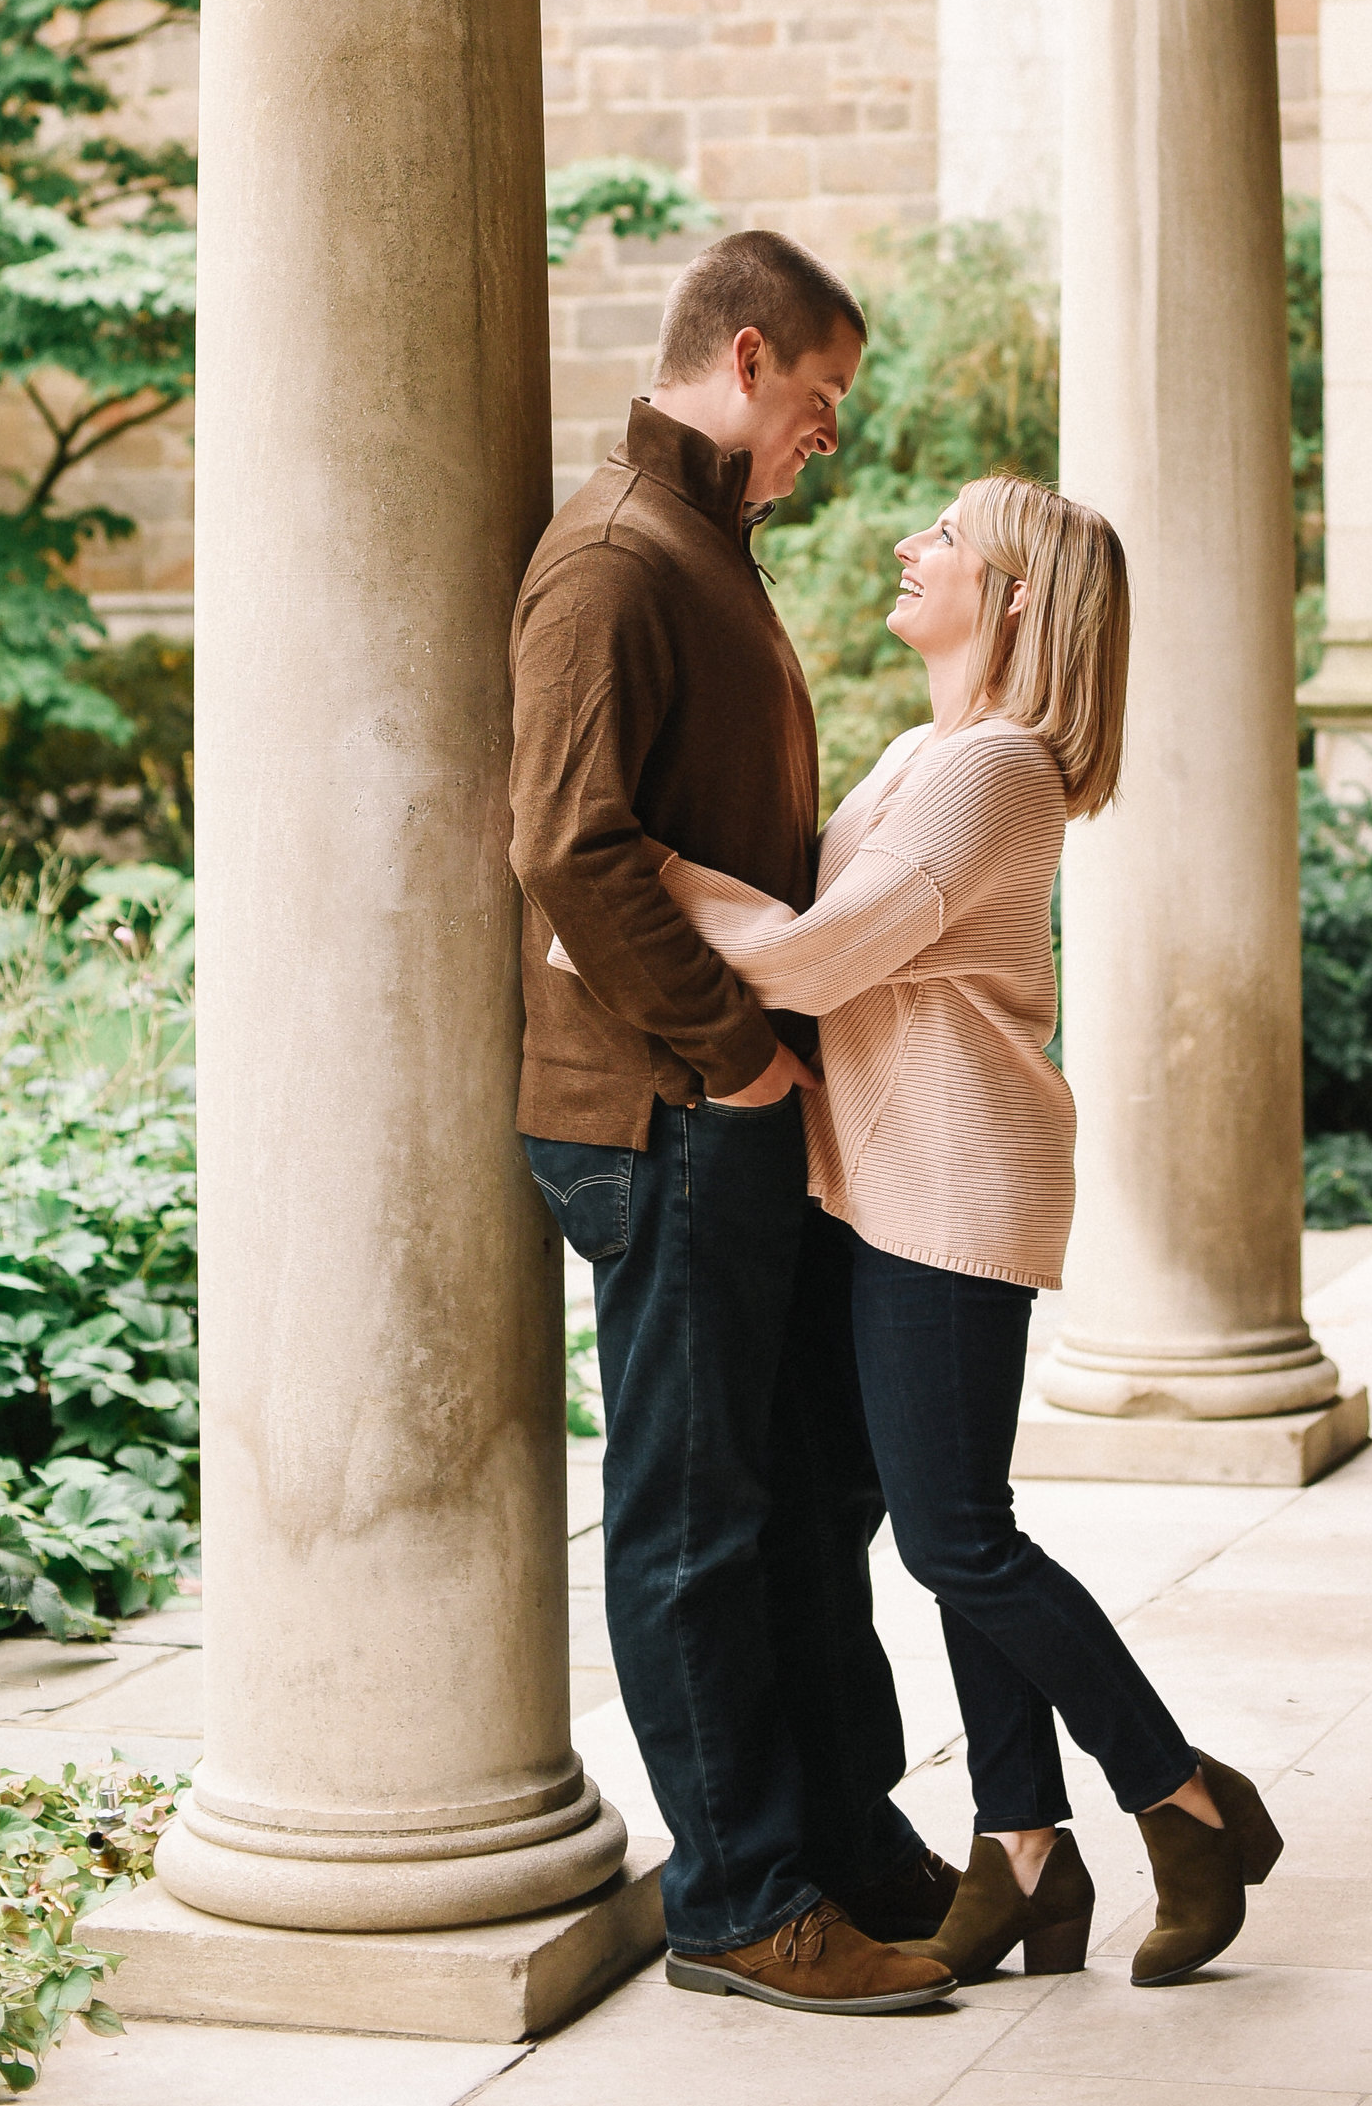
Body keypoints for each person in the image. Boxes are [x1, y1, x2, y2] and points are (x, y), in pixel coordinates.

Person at [660, 473, 1285, 1988]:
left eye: (943, 535)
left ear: (1009, 591)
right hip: (881, 1180)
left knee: (958, 1535)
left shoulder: (1000, 767)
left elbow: (810, 957)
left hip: (954, 1175)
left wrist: (621, 868)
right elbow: (808, 919)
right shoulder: (921, 752)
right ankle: (1024, 1848)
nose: (907, 542)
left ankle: (1187, 1798)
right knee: (950, 1535)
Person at [508, 227, 956, 2017]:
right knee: (696, 1513)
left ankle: (840, 1836)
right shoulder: (613, 556)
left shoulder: (702, 544)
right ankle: (740, 1899)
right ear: (750, 355)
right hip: (662, 1105)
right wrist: (735, 1054)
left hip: (729, 1101)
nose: (825, 444)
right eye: (823, 404)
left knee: (811, 1494)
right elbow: (565, 840)